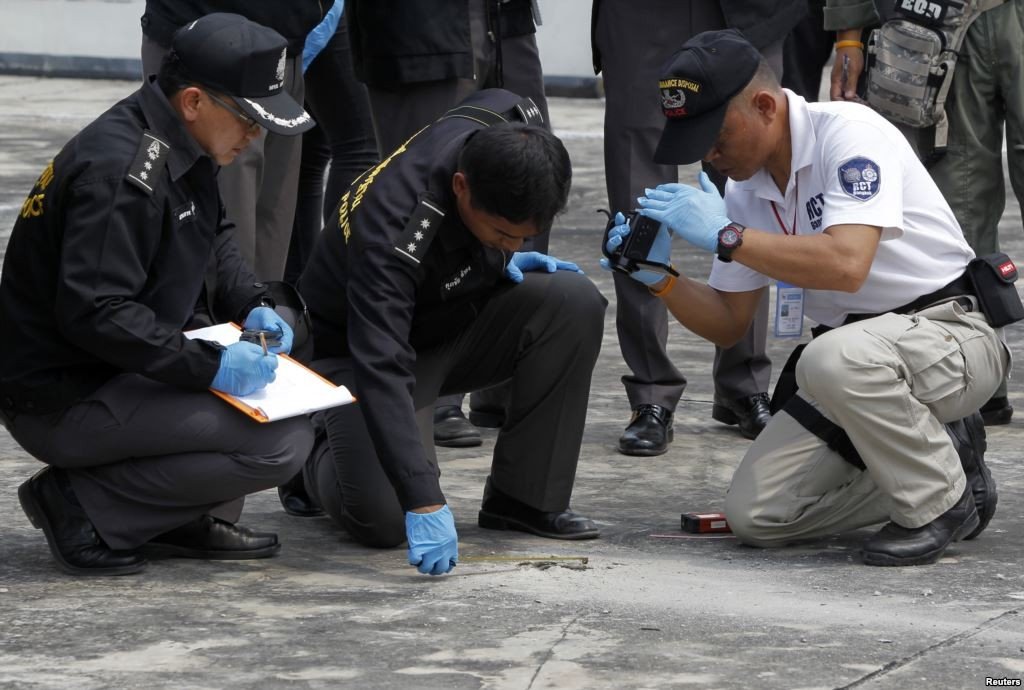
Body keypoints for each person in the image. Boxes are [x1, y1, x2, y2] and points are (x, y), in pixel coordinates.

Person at [606, 29, 1011, 565]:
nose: (708, 154)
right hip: (856, 369)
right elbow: (730, 323)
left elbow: (846, 265)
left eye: (716, 136)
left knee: (832, 356)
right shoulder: (747, 188)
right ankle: (949, 468)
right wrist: (660, 277)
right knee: (759, 515)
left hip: (950, 335)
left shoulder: (849, 133)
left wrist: (728, 238)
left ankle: (938, 502)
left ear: (766, 106)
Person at [0, 13, 316, 576]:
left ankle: (162, 517)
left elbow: (213, 234)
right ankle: (80, 506)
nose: (255, 136)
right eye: (247, 118)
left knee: (284, 416)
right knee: (280, 442)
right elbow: (95, 312)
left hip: (119, 366)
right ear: (194, 100)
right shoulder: (122, 172)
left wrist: (250, 301)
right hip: (64, 394)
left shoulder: (177, 137)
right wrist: (209, 367)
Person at [297, 88, 607, 576]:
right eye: (505, 235)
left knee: (572, 301)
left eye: (524, 236)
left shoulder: (503, 121)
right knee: (383, 518)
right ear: (460, 187)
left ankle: (522, 497)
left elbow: (501, 101)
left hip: (452, 317)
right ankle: (311, 448)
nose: (514, 244)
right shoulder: (394, 224)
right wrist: (422, 500)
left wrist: (498, 256)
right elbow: (381, 362)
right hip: (360, 353)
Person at [590, 0, 807, 456]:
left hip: (752, 9)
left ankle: (744, 381)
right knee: (638, 193)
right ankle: (651, 391)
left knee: (753, 170)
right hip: (642, 15)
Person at [347, 0, 552, 448]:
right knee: (430, 203)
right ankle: (435, 396)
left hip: (504, 19)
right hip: (420, 26)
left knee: (528, 189)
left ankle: (504, 384)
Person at [826, 0, 1022, 426]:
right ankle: (977, 382)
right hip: (940, 21)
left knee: (962, 197)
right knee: (958, 207)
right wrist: (848, 33)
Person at [141, 0, 323, 282]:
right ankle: (215, 322)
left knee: (270, 225)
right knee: (217, 227)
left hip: (285, 40)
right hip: (205, 39)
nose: (251, 133)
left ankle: (256, 315)